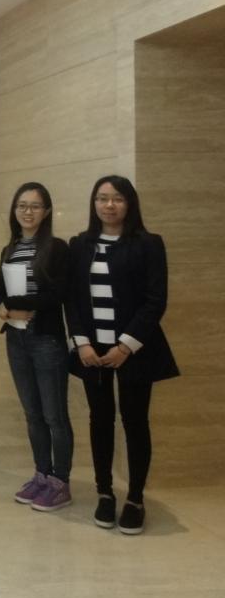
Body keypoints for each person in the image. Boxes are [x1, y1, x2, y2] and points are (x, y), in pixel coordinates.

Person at [66, 175, 179, 535]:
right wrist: (82, 342)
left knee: (135, 421)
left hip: (133, 350)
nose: (109, 205)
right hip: (92, 349)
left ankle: (135, 498)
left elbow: (155, 300)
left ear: (130, 203)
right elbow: (72, 298)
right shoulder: (79, 244)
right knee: (100, 420)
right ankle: (104, 492)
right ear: (94, 204)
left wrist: (126, 345)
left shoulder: (148, 244)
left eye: (117, 198)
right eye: (102, 198)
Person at [0, 182, 73, 512]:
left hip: (46, 340)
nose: (28, 211)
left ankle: (60, 482)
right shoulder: (9, 249)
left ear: (47, 211)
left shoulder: (56, 248)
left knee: (55, 415)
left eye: (35, 206)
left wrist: (19, 305)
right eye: (22, 205)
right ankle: (41, 474)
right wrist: (4, 309)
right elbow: (0, 294)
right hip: (16, 339)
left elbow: (58, 295)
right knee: (32, 414)